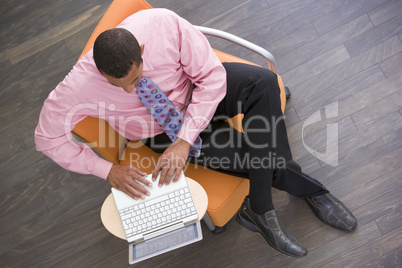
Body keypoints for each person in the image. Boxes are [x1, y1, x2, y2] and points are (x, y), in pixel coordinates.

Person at [35, 8, 357, 258]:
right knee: (263, 150)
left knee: (263, 82)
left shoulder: (162, 25)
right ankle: (311, 192)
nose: (132, 89)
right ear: (100, 71)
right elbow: (46, 139)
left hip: (200, 94)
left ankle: (258, 207)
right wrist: (105, 169)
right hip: (163, 129)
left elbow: (212, 77)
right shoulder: (77, 86)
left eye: (136, 78)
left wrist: (186, 139)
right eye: (120, 86)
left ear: (142, 50)